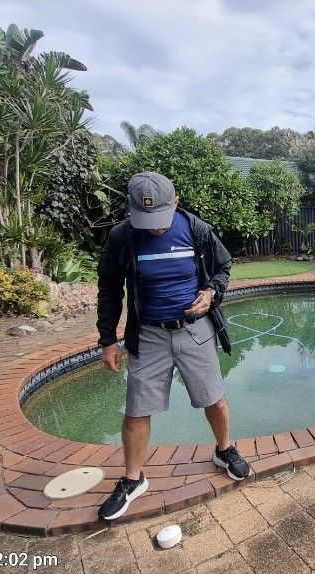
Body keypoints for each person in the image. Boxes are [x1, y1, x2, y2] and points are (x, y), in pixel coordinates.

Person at [94, 171, 250, 521]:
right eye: (146, 220)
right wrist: (108, 339)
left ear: (175, 203)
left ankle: (224, 450)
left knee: (214, 397)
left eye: (160, 218)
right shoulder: (122, 237)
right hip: (148, 334)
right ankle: (133, 480)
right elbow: (109, 289)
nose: (154, 228)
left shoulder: (196, 229)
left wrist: (211, 292)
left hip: (195, 330)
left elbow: (223, 266)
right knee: (136, 408)